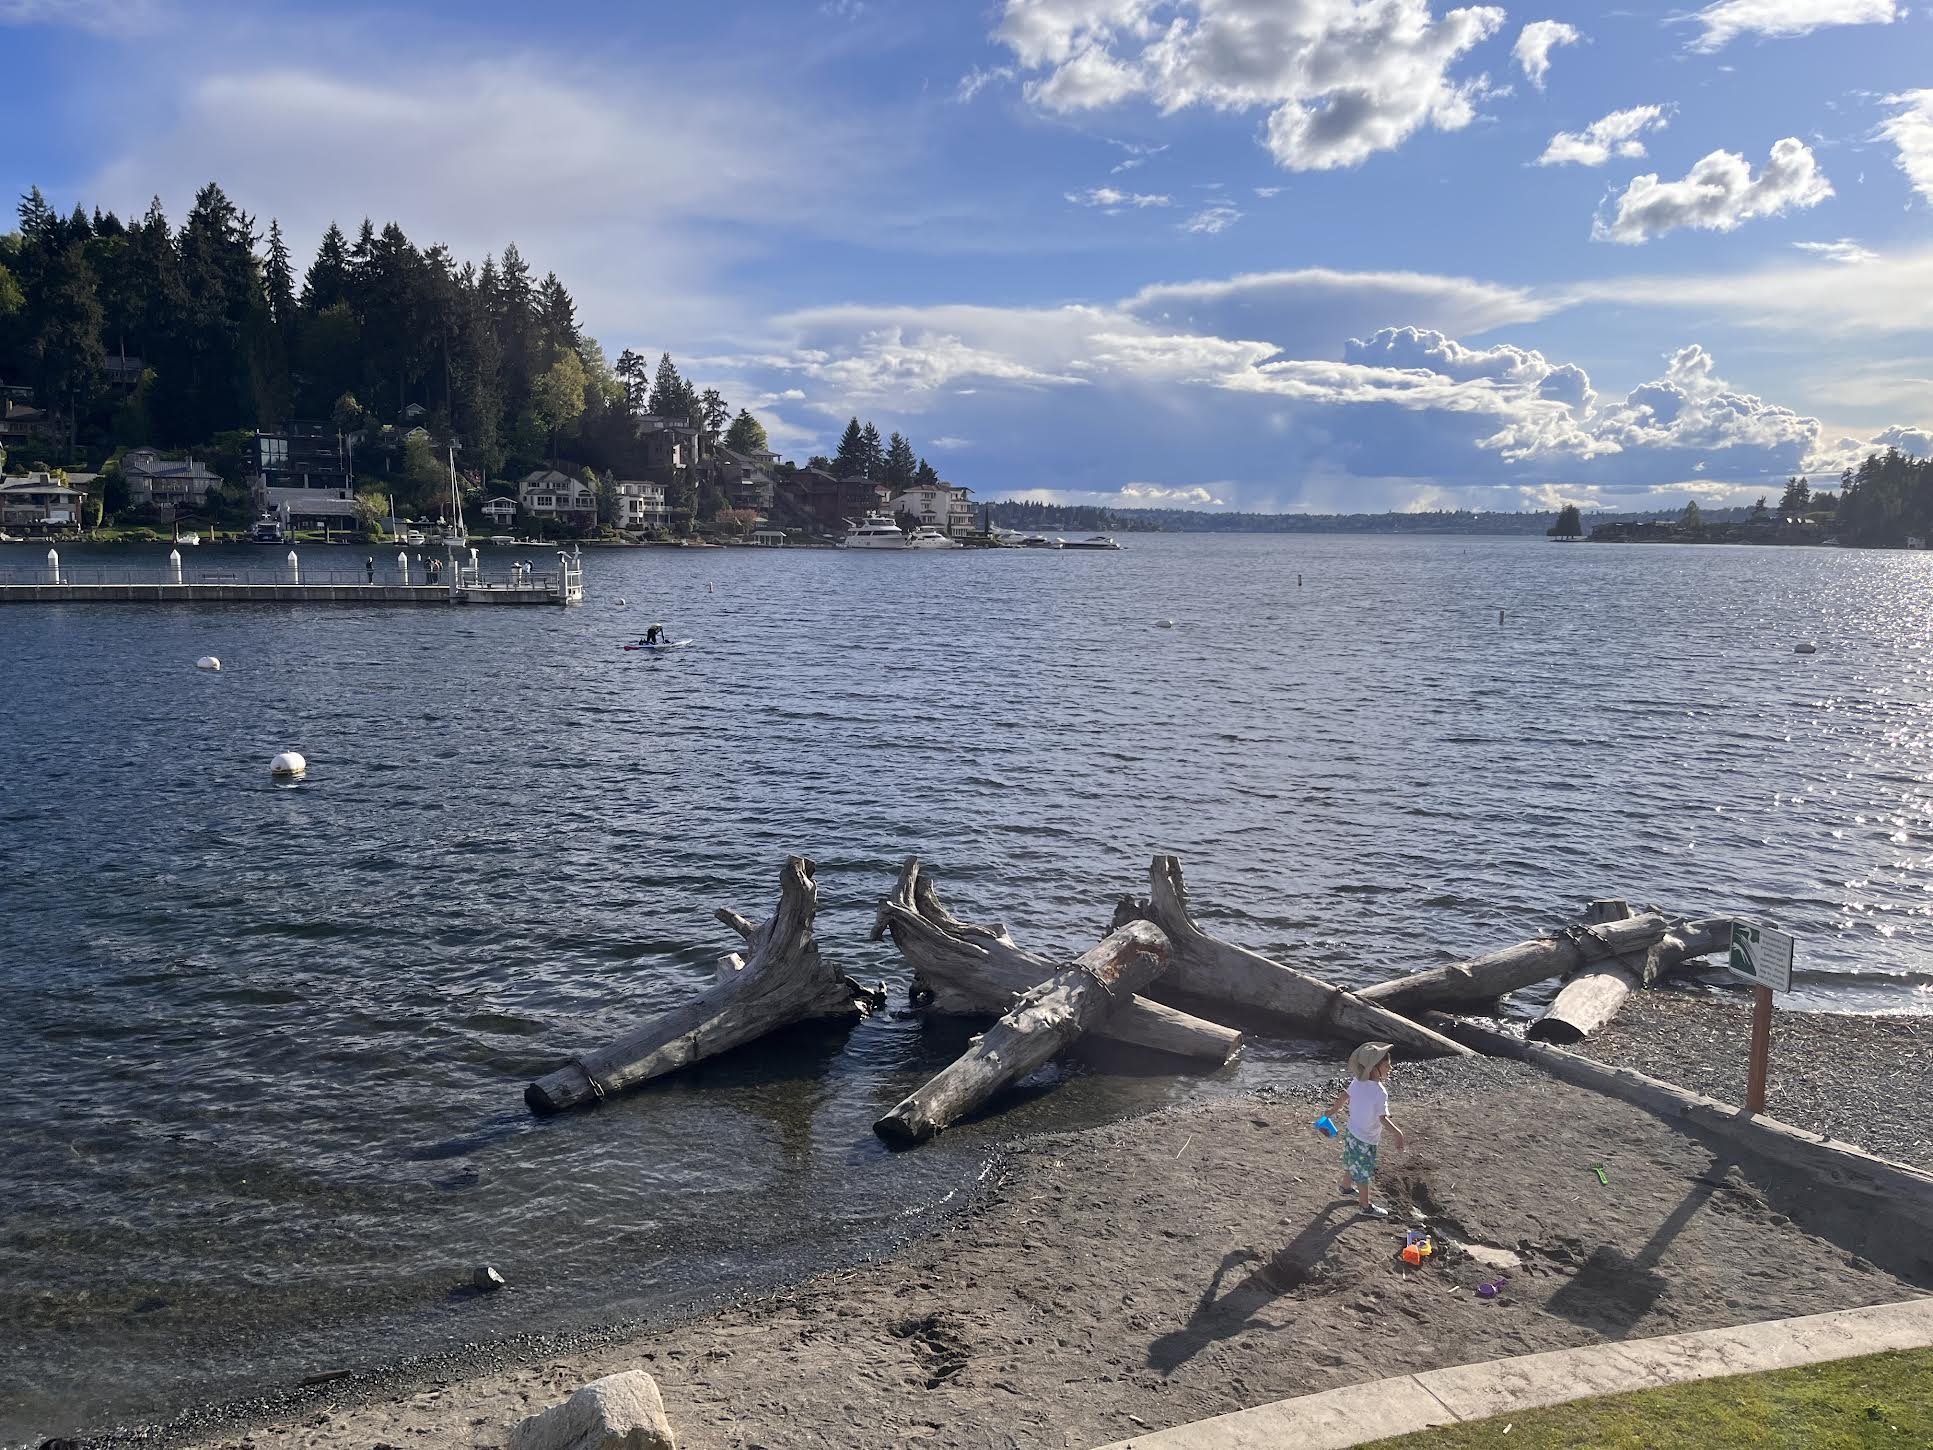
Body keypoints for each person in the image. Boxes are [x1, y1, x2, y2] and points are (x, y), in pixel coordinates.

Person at [1319, 1041, 1407, 1217]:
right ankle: (1365, 1206)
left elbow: (1345, 1096)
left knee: (1352, 1162)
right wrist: (1398, 1134)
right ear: (1375, 1067)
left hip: (1352, 1132)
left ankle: (1345, 1187)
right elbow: (1382, 1118)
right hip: (1366, 1139)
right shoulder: (1380, 1092)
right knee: (1363, 1173)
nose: (1390, 1068)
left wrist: (1331, 1111)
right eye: (1387, 1065)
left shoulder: (1358, 1081)